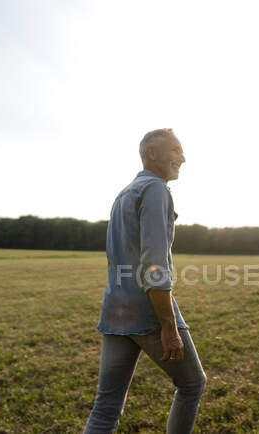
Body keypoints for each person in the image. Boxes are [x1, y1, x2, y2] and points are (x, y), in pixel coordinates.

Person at [84, 129, 206, 434]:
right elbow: (154, 264)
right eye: (176, 150)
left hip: (114, 311)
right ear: (151, 153)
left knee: (106, 407)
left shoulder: (124, 193)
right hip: (147, 312)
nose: (183, 158)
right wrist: (168, 326)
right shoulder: (155, 190)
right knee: (192, 384)